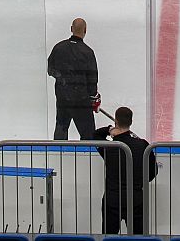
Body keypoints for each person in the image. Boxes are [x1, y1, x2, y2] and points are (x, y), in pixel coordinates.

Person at [88, 105, 155, 235]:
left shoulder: (109, 147)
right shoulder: (142, 145)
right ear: (131, 121)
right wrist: (139, 182)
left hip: (112, 200)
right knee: (138, 237)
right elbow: (152, 172)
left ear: (116, 121)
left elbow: (95, 135)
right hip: (135, 199)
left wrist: (109, 129)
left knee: (109, 236)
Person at [47, 17, 100, 139]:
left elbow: (50, 70)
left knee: (61, 128)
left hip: (62, 97)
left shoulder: (58, 48)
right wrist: (93, 97)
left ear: (71, 29)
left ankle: (58, 150)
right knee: (88, 134)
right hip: (81, 100)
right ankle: (87, 151)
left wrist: (62, 78)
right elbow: (92, 78)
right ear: (85, 30)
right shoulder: (87, 52)